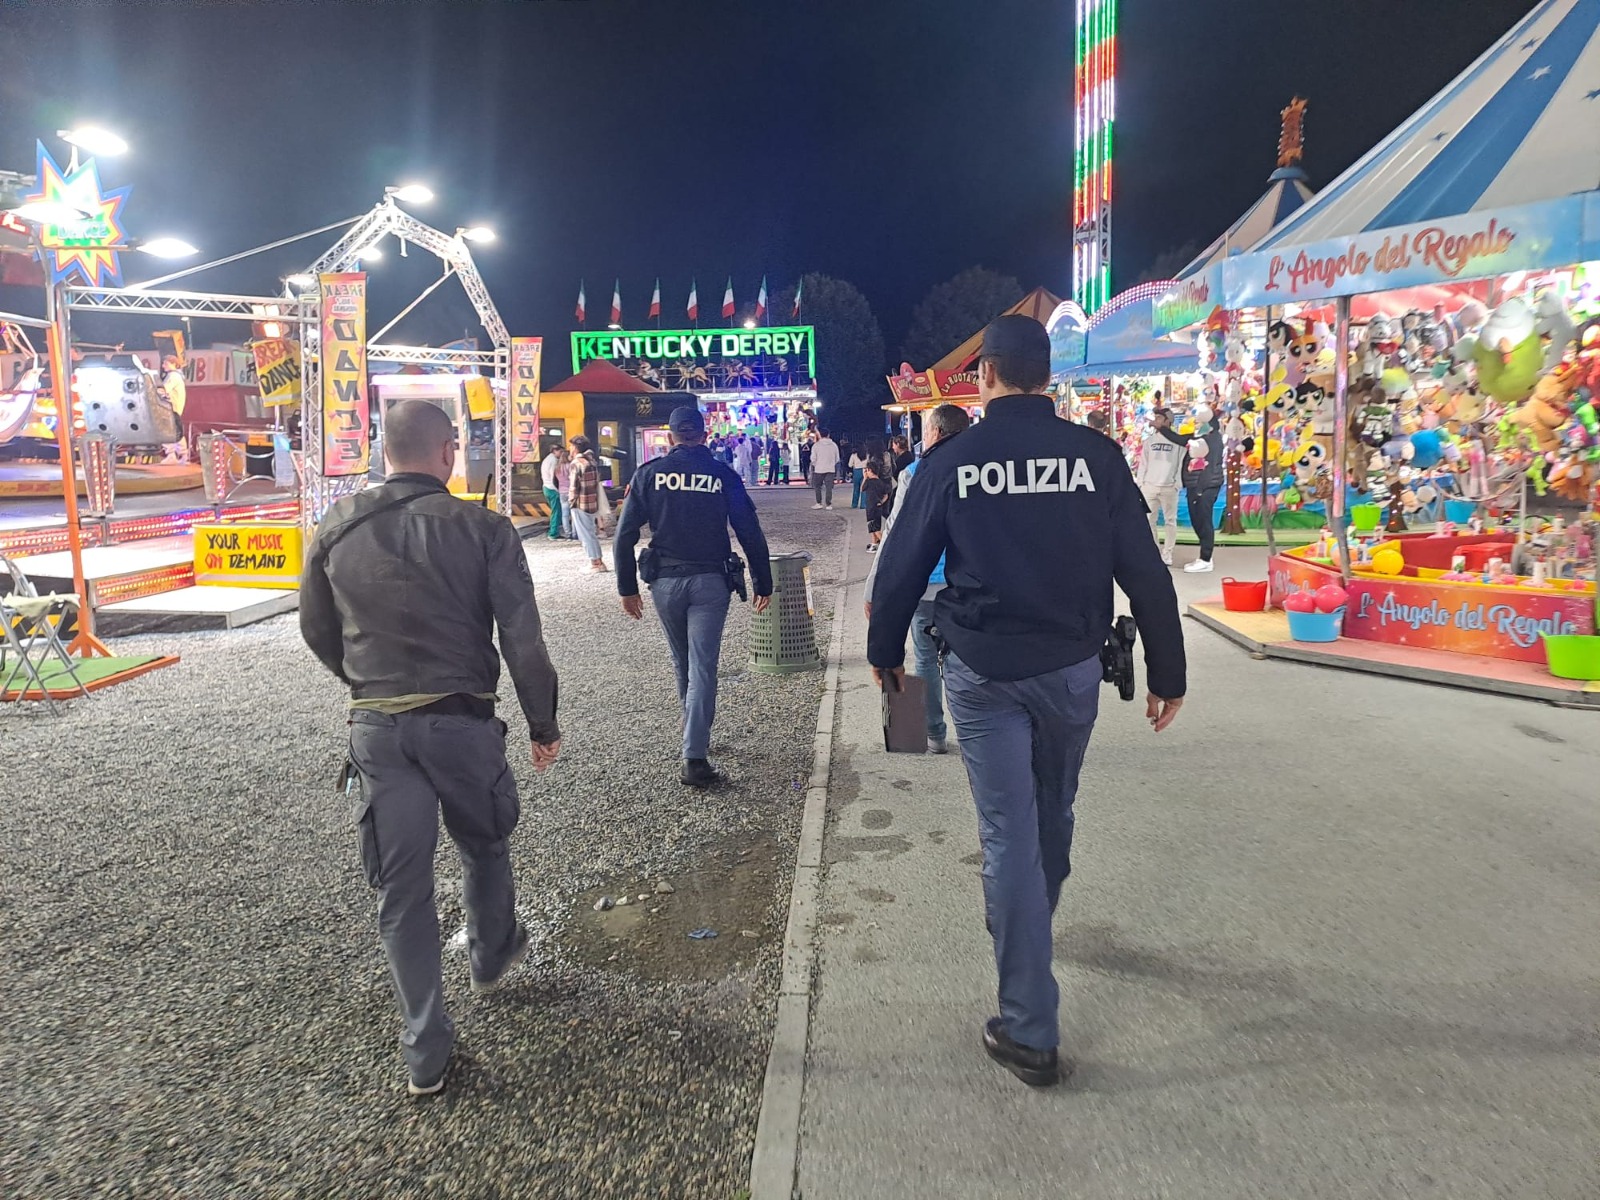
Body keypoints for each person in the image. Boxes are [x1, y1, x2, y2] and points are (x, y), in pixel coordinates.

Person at [867, 316, 1186, 1089]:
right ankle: (1029, 922)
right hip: (1073, 669)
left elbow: (904, 563)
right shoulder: (1098, 459)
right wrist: (1168, 671)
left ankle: (1030, 1025)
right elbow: (1145, 570)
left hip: (982, 669)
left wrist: (884, 654)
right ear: (1047, 377)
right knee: (1055, 811)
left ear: (985, 377)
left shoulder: (954, 460)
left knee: (1009, 834)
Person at [298, 399, 561, 1098]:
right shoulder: (483, 528)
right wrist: (543, 723)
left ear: (386, 449)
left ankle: (426, 1053)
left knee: (400, 889)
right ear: (449, 451)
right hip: (462, 721)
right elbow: (523, 641)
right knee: (483, 842)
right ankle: (490, 953)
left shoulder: (336, 526)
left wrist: (364, 684)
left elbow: (317, 630)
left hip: (377, 730)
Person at [614, 406, 773, 787]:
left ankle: (694, 736)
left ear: (670, 437)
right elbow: (749, 531)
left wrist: (626, 587)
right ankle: (695, 756)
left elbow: (624, 535)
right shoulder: (722, 474)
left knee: (682, 660)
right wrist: (763, 582)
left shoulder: (648, 474)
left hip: (665, 581)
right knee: (702, 665)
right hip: (709, 581)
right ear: (704, 435)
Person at [863, 402, 970, 753]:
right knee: (965, 655)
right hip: (965, 583)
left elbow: (895, 537)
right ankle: (974, 733)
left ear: (935, 432)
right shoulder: (980, 468)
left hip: (923, 584)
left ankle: (930, 734)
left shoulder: (915, 473)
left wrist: (873, 588)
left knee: (924, 656)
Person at [1135, 407, 1184, 566]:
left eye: (1159, 418)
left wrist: (1177, 484)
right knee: (1149, 520)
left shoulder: (1178, 442)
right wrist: (1141, 483)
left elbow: (1181, 463)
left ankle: (1168, 552)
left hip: (1169, 487)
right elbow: (1143, 463)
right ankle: (1154, 552)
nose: (1155, 420)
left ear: (1168, 421)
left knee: (1170, 521)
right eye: (1155, 417)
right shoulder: (1149, 441)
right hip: (1149, 486)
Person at [1181, 404, 1225, 573]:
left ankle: (1206, 558)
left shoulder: (1212, 440)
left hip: (1205, 486)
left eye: (1199, 422)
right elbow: (1180, 439)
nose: (1196, 425)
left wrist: (1200, 488)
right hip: (1195, 485)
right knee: (1197, 519)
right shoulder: (1200, 438)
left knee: (1203, 519)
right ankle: (1204, 556)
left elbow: (1210, 466)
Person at [568, 435, 608, 572]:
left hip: (581, 503)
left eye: (571, 446)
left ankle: (595, 563)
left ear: (575, 447)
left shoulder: (576, 463)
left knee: (585, 534)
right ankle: (598, 560)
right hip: (592, 502)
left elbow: (574, 486)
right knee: (590, 532)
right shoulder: (591, 462)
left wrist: (571, 501)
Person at [861, 458, 892, 552]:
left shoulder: (869, 482)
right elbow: (886, 495)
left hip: (871, 507)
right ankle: (874, 543)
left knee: (873, 528)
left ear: (870, 470)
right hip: (878, 507)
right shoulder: (881, 482)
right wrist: (882, 502)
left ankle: (884, 544)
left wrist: (865, 478)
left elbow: (862, 489)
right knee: (875, 526)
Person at [810, 428, 841, 509]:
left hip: (819, 469)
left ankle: (818, 503)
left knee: (818, 487)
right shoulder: (834, 445)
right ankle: (828, 504)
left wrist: (816, 465)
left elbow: (813, 458)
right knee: (829, 487)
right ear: (828, 435)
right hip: (830, 469)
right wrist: (831, 464)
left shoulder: (816, 445)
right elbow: (837, 458)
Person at [540, 445, 565, 540]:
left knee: (555, 511)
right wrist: (558, 490)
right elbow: (554, 477)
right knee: (556, 512)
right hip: (552, 489)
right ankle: (553, 533)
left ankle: (554, 531)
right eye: (560, 452)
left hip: (546, 487)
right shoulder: (553, 461)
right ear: (555, 451)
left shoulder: (547, 459)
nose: (561, 454)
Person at [848, 444, 869, 509]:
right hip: (865, 471)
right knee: (864, 488)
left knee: (856, 488)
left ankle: (854, 504)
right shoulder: (867, 455)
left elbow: (850, 465)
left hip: (857, 471)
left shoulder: (853, 455)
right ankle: (863, 504)